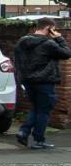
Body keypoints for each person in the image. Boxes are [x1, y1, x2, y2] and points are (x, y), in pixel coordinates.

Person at [13, 17, 71, 149]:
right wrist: (59, 38)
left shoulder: (22, 41)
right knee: (44, 110)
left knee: (35, 108)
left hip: (28, 81)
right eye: (53, 29)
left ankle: (24, 132)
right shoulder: (49, 44)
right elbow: (66, 53)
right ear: (48, 28)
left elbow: (17, 61)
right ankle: (39, 139)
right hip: (44, 81)